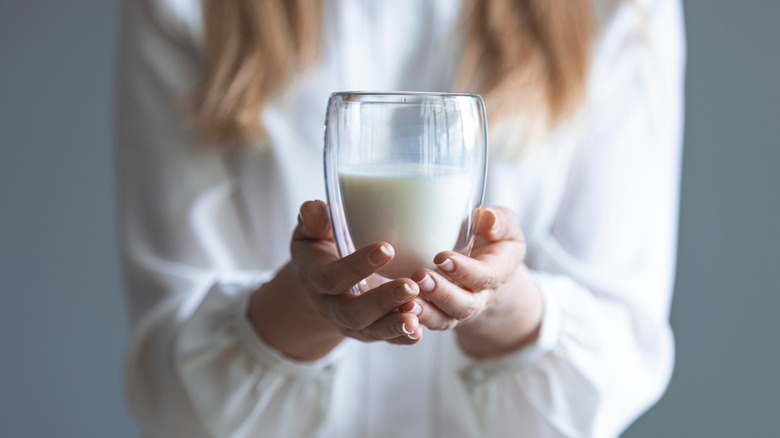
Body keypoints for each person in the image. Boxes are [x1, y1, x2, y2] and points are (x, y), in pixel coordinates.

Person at [115, 0, 685, 436]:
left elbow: (622, 352)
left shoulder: (619, 11)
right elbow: (171, 388)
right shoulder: (188, 10)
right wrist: (307, 306)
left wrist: (506, 306)